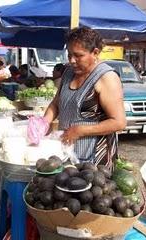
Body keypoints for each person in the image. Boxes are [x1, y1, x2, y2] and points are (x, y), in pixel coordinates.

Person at [43, 27, 126, 171]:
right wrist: (45, 121)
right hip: (67, 152)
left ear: (95, 53)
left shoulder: (106, 78)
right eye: (69, 55)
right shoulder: (69, 72)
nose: (72, 61)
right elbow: (56, 103)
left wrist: (81, 130)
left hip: (94, 161)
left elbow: (119, 122)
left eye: (78, 55)